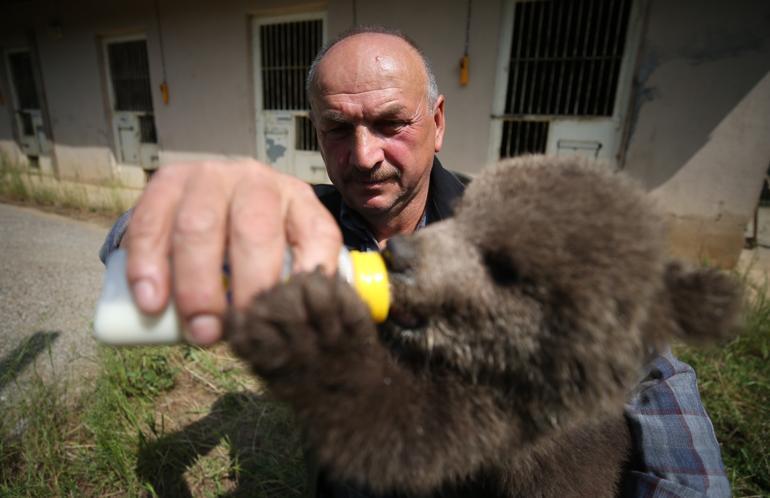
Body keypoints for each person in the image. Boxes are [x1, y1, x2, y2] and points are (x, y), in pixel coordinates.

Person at [100, 26, 731, 497]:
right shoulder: (304, 232)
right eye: (338, 129)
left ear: (436, 121)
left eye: (389, 123)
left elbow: (654, 371)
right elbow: (132, 247)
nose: (365, 154)